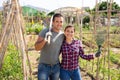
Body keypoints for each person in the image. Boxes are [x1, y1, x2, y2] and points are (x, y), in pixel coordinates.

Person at [34, 13, 64, 80]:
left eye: (61, 22)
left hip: (56, 67)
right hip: (44, 66)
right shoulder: (45, 32)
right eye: (57, 21)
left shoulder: (62, 35)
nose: (59, 23)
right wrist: (44, 40)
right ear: (52, 22)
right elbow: (36, 47)